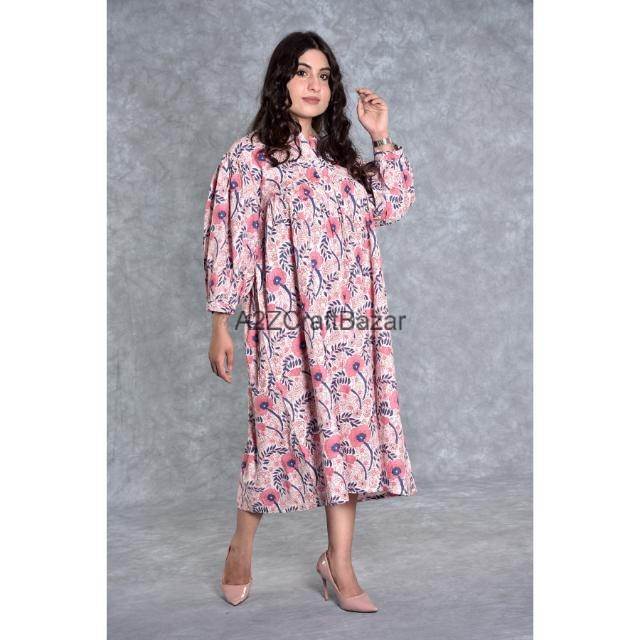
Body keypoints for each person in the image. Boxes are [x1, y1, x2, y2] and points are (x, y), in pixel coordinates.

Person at [202, 31, 417, 612]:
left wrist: (380, 137)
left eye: (324, 75)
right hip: (283, 326)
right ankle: (241, 546)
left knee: (346, 439)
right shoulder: (249, 158)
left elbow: (392, 203)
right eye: (301, 72)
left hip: (349, 330)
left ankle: (339, 564)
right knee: (275, 434)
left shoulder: (341, 159)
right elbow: (229, 239)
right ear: (281, 81)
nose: (314, 85)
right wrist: (220, 322)